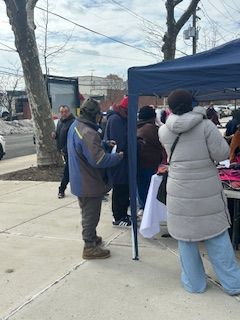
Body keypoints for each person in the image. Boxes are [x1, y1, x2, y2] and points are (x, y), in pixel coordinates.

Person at [159, 89, 240, 295]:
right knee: (216, 236)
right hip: (206, 188)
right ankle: (233, 284)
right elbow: (222, 153)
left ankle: (194, 284)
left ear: (170, 107)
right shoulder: (206, 126)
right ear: (192, 104)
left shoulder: (164, 130)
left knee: (186, 239)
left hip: (178, 187)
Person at [67, 98, 123, 259]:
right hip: (88, 182)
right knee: (91, 215)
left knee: (87, 212)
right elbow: (98, 160)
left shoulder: (77, 126)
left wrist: (104, 144)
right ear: (95, 115)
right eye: (100, 114)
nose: (101, 118)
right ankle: (89, 246)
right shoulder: (88, 132)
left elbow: (86, 148)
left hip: (80, 179)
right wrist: (117, 157)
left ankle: (91, 237)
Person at [104, 96, 131, 226]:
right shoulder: (116, 119)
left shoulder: (121, 118)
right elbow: (118, 142)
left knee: (124, 188)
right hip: (119, 160)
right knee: (120, 188)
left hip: (122, 160)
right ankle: (118, 216)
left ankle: (123, 213)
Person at [137, 105, 164, 213]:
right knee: (150, 188)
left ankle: (143, 207)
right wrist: (160, 123)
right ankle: (149, 210)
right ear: (152, 117)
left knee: (141, 187)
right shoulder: (151, 129)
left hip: (139, 162)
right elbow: (162, 142)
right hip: (150, 162)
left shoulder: (137, 127)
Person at [52, 105, 75, 199]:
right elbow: (59, 134)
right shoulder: (60, 122)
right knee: (71, 171)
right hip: (64, 151)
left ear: (69, 112)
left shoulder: (73, 122)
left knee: (67, 172)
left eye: (65, 111)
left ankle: (61, 190)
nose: (64, 114)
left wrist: (66, 149)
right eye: (62, 112)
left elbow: (73, 138)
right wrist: (55, 135)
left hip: (71, 151)